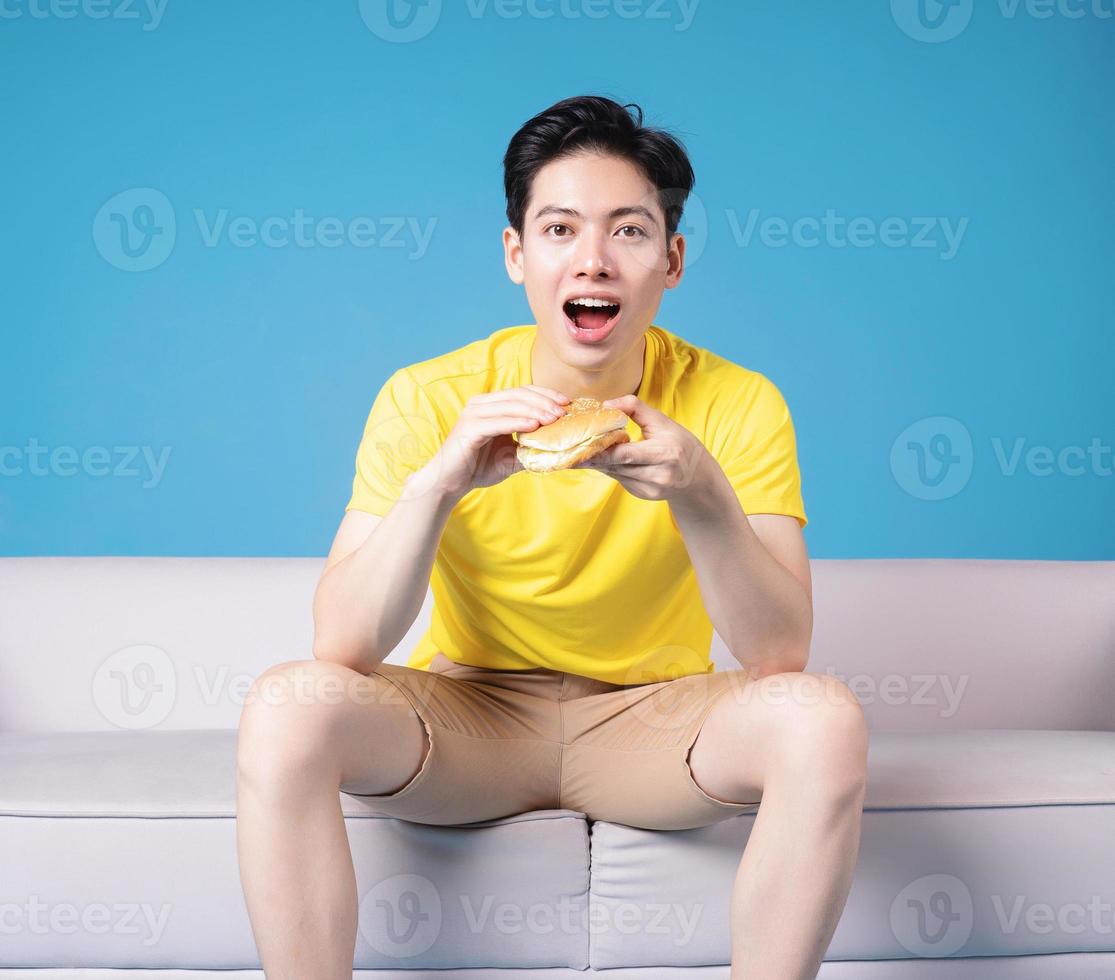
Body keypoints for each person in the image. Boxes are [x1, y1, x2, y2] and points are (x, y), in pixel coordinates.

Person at [236, 94, 868, 980]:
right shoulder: (428, 398)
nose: (594, 260)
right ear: (516, 254)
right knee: (283, 706)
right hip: (471, 721)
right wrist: (440, 482)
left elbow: (778, 654)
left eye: (629, 232)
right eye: (561, 229)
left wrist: (702, 495)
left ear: (671, 260)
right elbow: (342, 646)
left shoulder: (736, 402)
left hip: (649, 721)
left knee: (822, 719)